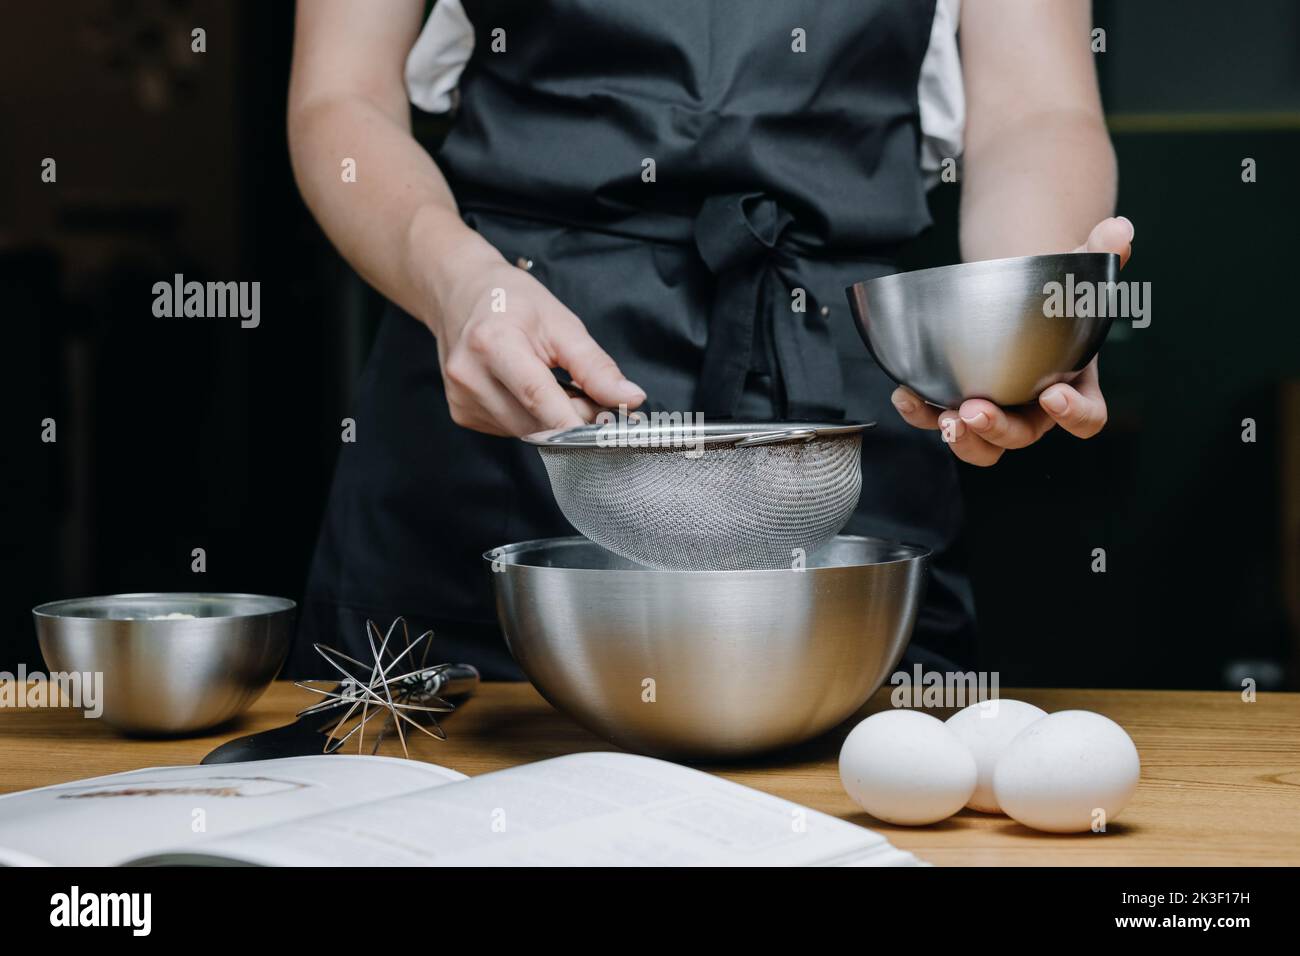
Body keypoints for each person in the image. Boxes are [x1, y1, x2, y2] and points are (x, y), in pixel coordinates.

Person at [285, 0, 1132, 678]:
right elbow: (340, 97)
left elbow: (1035, 111)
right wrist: (457, 285)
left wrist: (1030, 316)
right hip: (510, 376)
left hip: (838, 417)